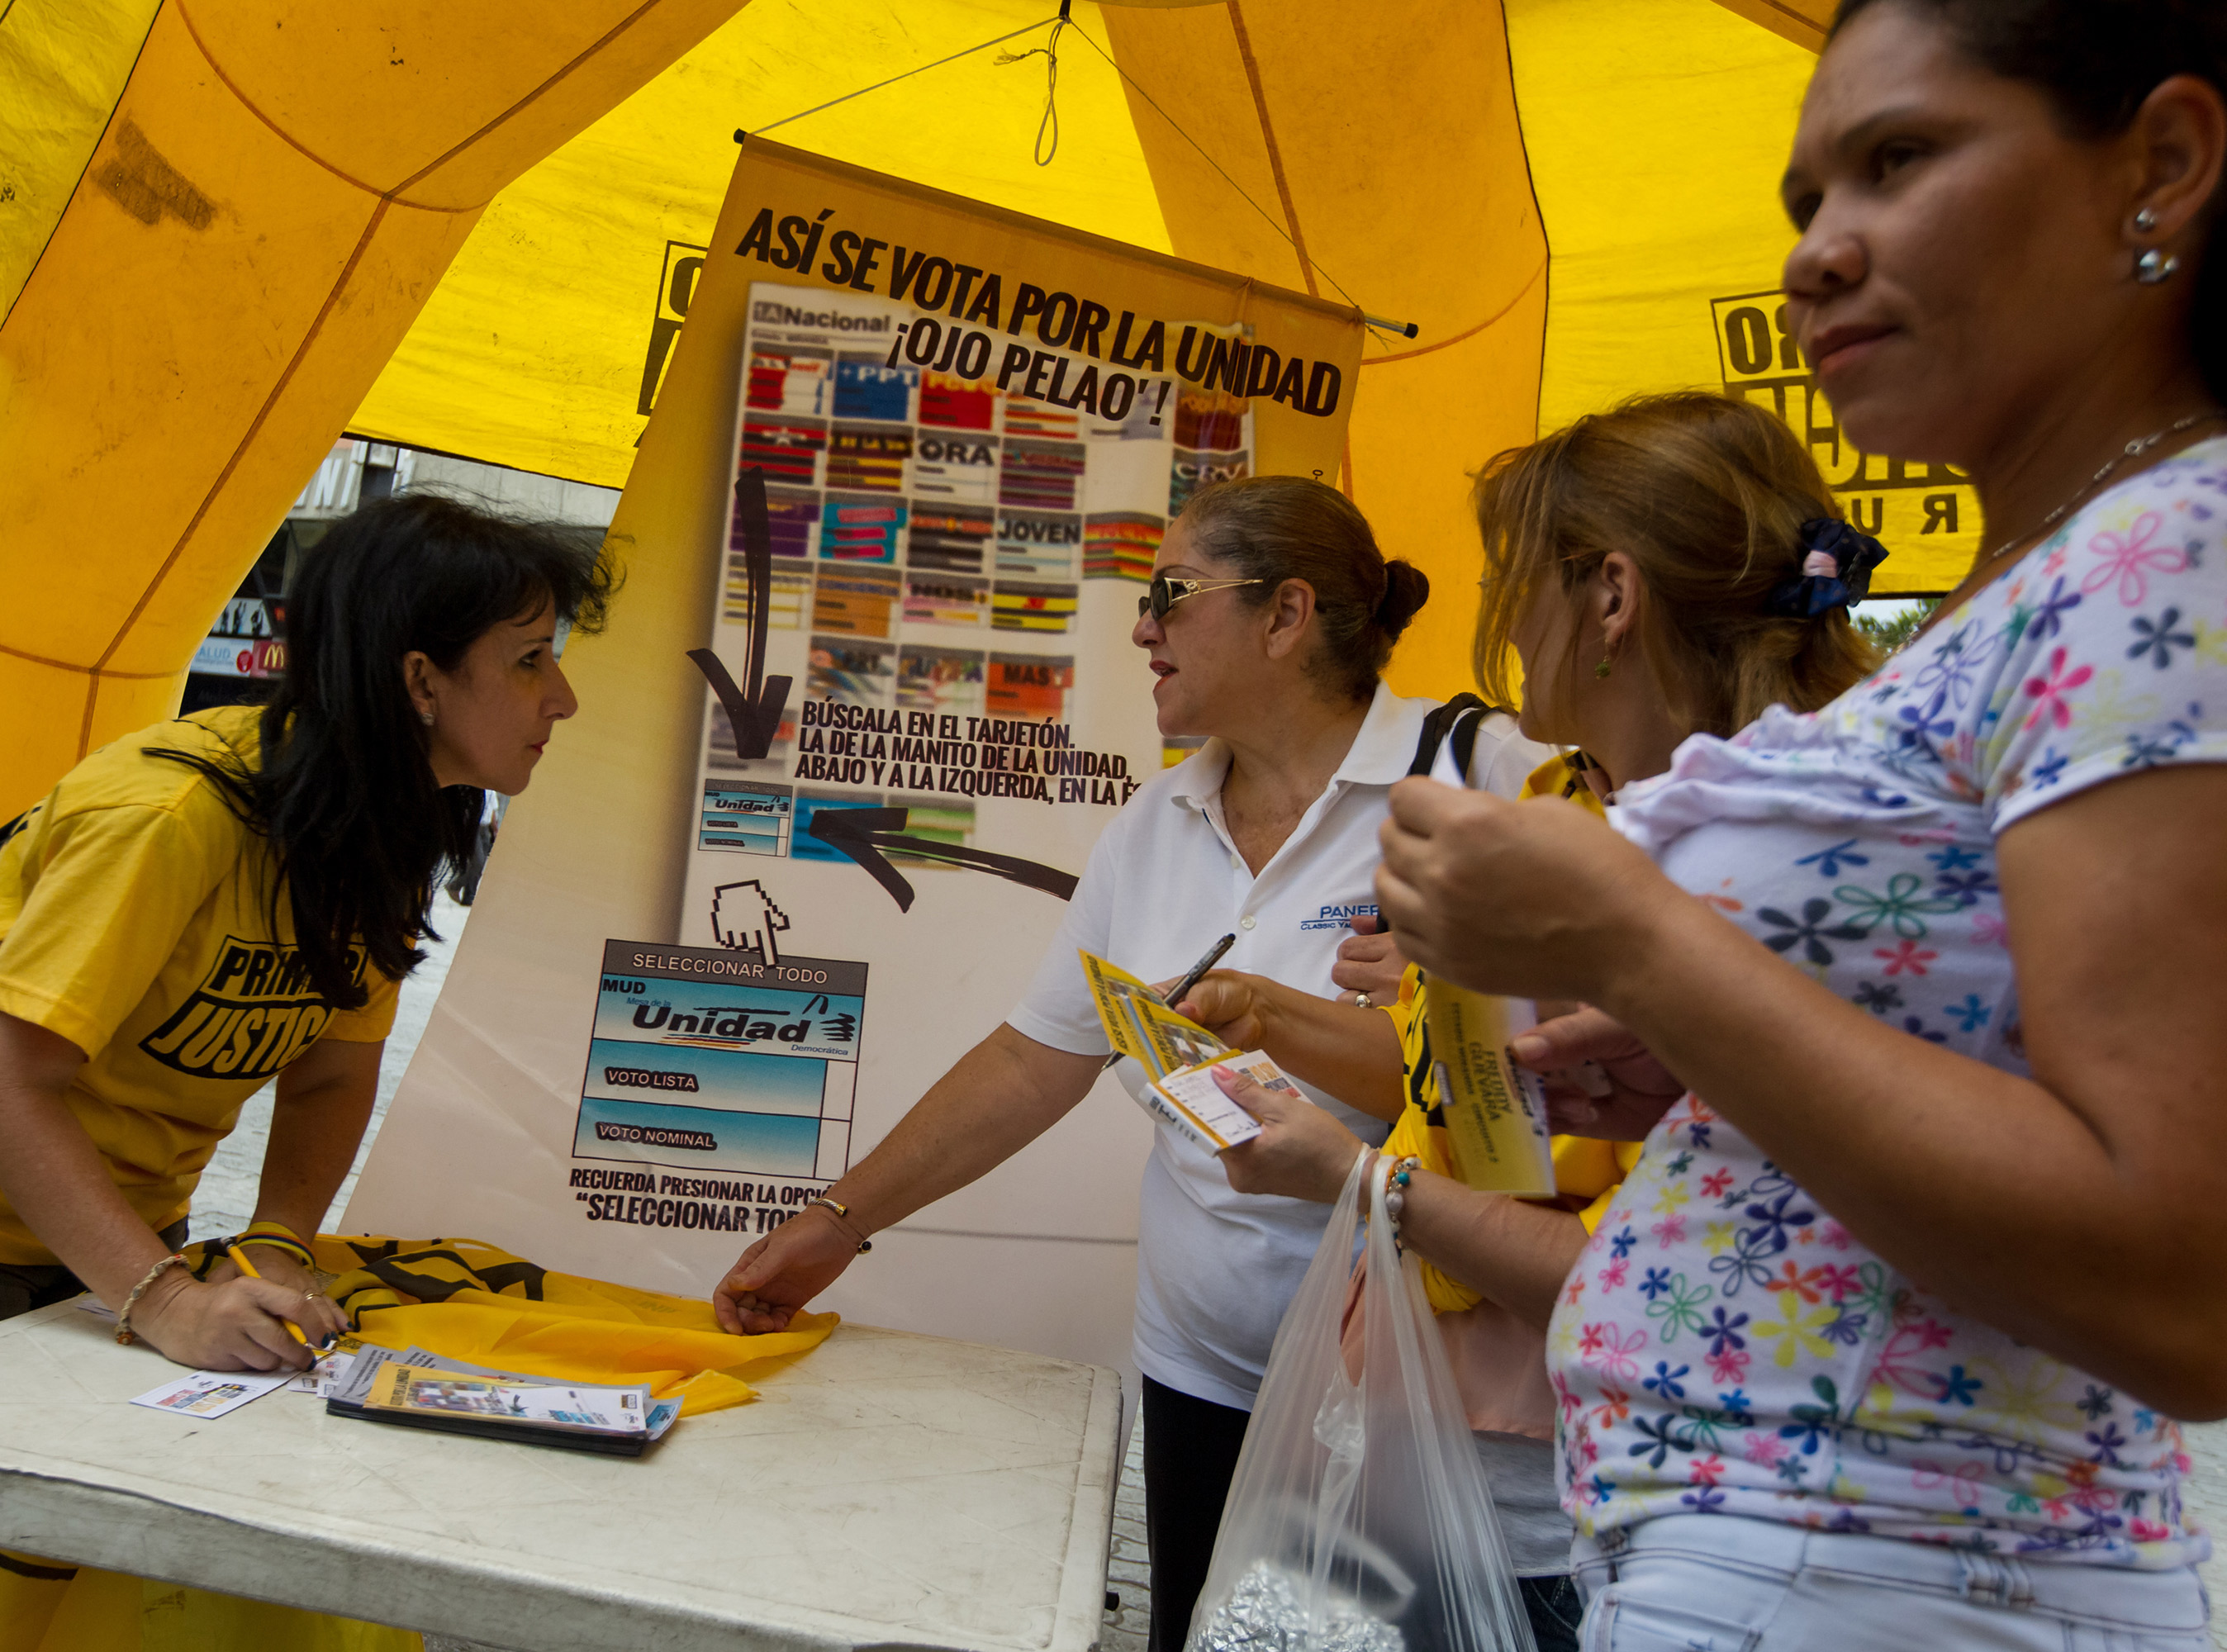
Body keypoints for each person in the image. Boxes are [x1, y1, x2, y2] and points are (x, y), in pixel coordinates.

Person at [1369, 1, 2225, 1644]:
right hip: (1808, 1551)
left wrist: (1638, 938)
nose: (1818, 256)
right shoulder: (2050, 571)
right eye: (1804, 204)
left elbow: (2178, 1283)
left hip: (1882, 1560)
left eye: (1899, 160)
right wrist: (1702, 1059)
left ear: (2164, 164)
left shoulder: (2167, 551)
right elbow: (1998, 1056)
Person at [0, 493, 615, 1652]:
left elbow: (327, 1077)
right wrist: (162, 1298)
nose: (559, 696)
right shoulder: (169, 814)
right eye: (528, 661)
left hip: (88, 1238)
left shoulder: (382, 825)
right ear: (420, 681)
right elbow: (5, 1078)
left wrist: (275, 1242)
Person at [710, 474, 1552, 1652]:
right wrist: (838, 1221)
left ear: (1284, 614)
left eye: (1169, 593)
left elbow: (1570, 1087)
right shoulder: (1156, 824)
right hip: (1206, 1376)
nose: (1141, 628)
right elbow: (1031, 1061)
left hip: (1429, 1406)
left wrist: (1372, 1014)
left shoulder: (1486, 779)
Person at [1173, 392, 1879, 1650]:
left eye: (1510, 573)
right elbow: (1498, 1109)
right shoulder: (1557, 802)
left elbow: (1672, 1277)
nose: (1493, 614)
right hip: (1412, 1422)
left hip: (1594, 1498)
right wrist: (1319, 1026)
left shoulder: (1771, 866)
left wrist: (1354, 1181)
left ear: (1609, 597)